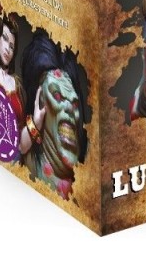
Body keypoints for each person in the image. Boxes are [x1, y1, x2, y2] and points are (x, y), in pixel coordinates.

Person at [21, 32, 88, 200]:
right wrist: (34, 124)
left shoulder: (88, 183)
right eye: (57, 96)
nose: (69, 108)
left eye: (74, 104)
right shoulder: (23, 168)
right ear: (40, 102)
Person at [0, 3, 43, 158]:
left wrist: (37, 121)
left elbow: (21, 146)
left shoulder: (17, 85)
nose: (8, 49)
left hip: (13, 160)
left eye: (12, 46)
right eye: (5, 39)